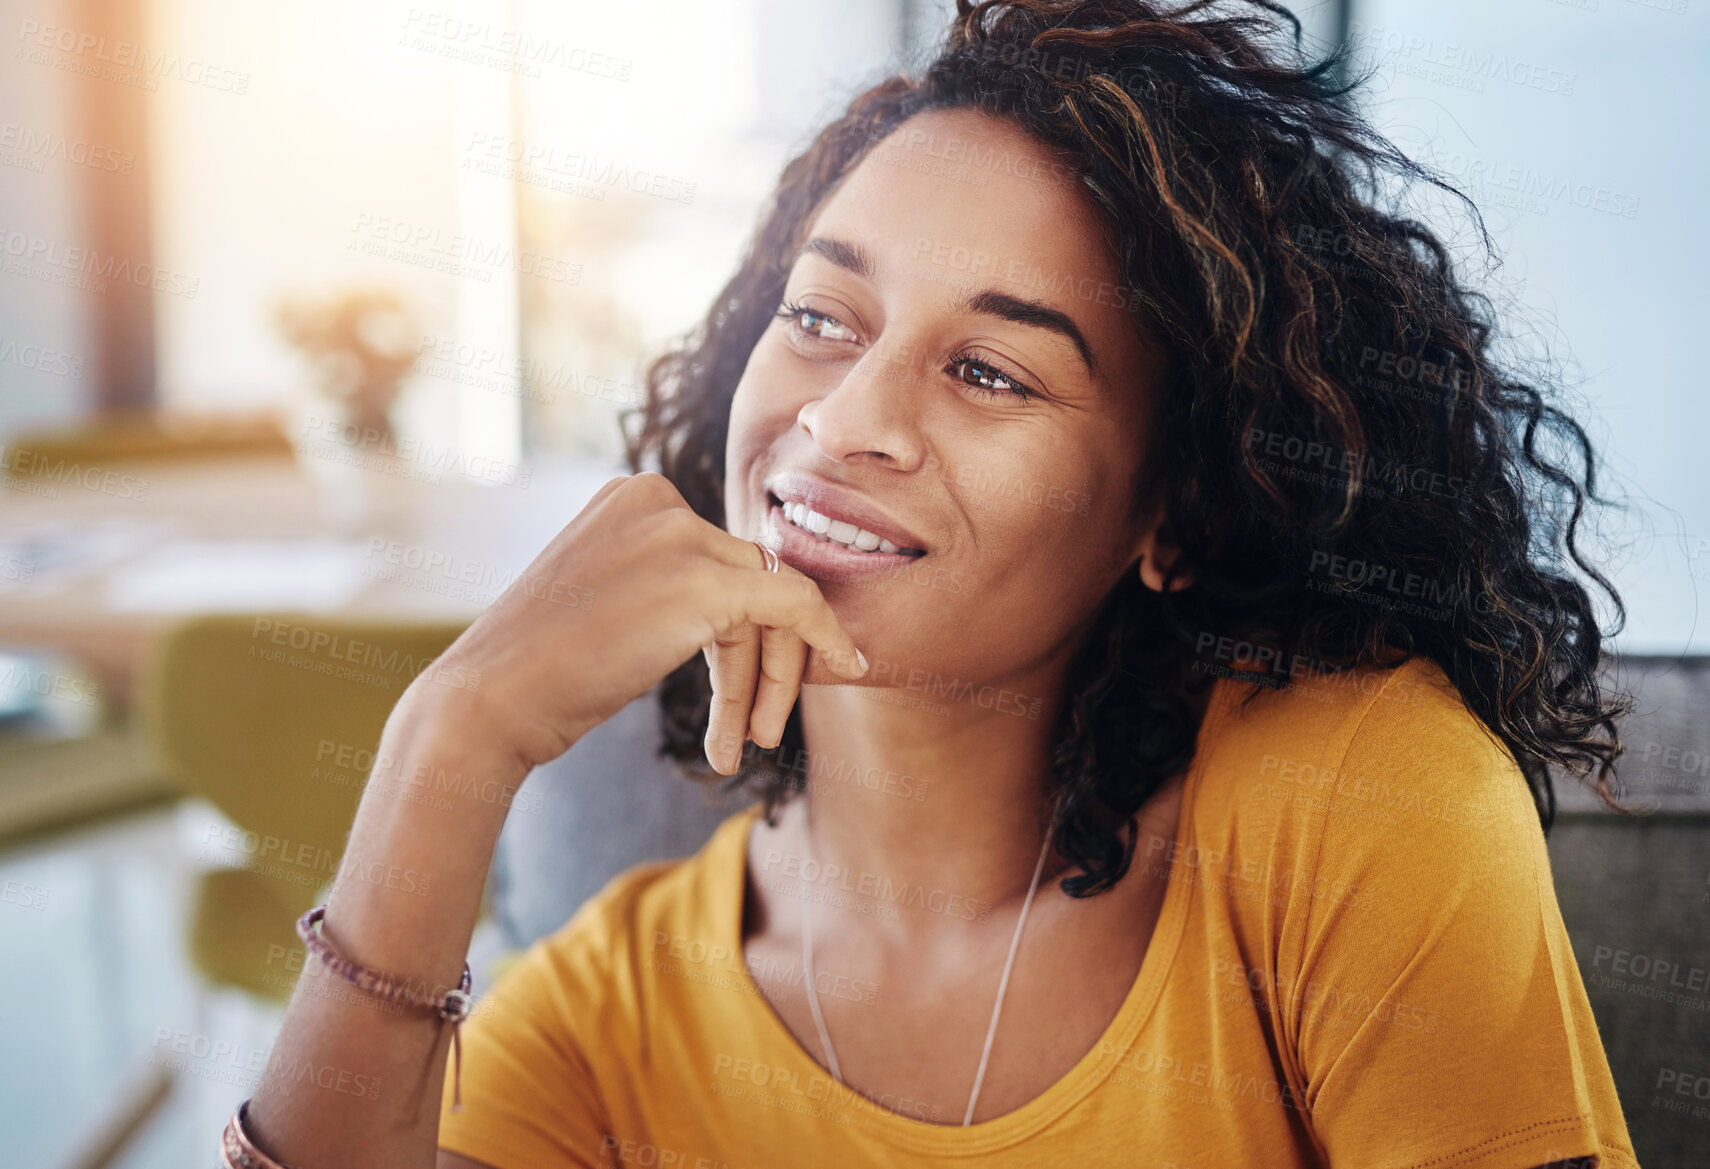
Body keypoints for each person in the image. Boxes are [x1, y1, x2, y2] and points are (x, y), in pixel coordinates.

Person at [228, 2, 1640, 1166]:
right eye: (820, 316)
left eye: (988, 370)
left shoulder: (1353, 805)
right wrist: (444, 741)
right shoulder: (610, 1008)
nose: (841, 421)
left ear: (1175, 511)